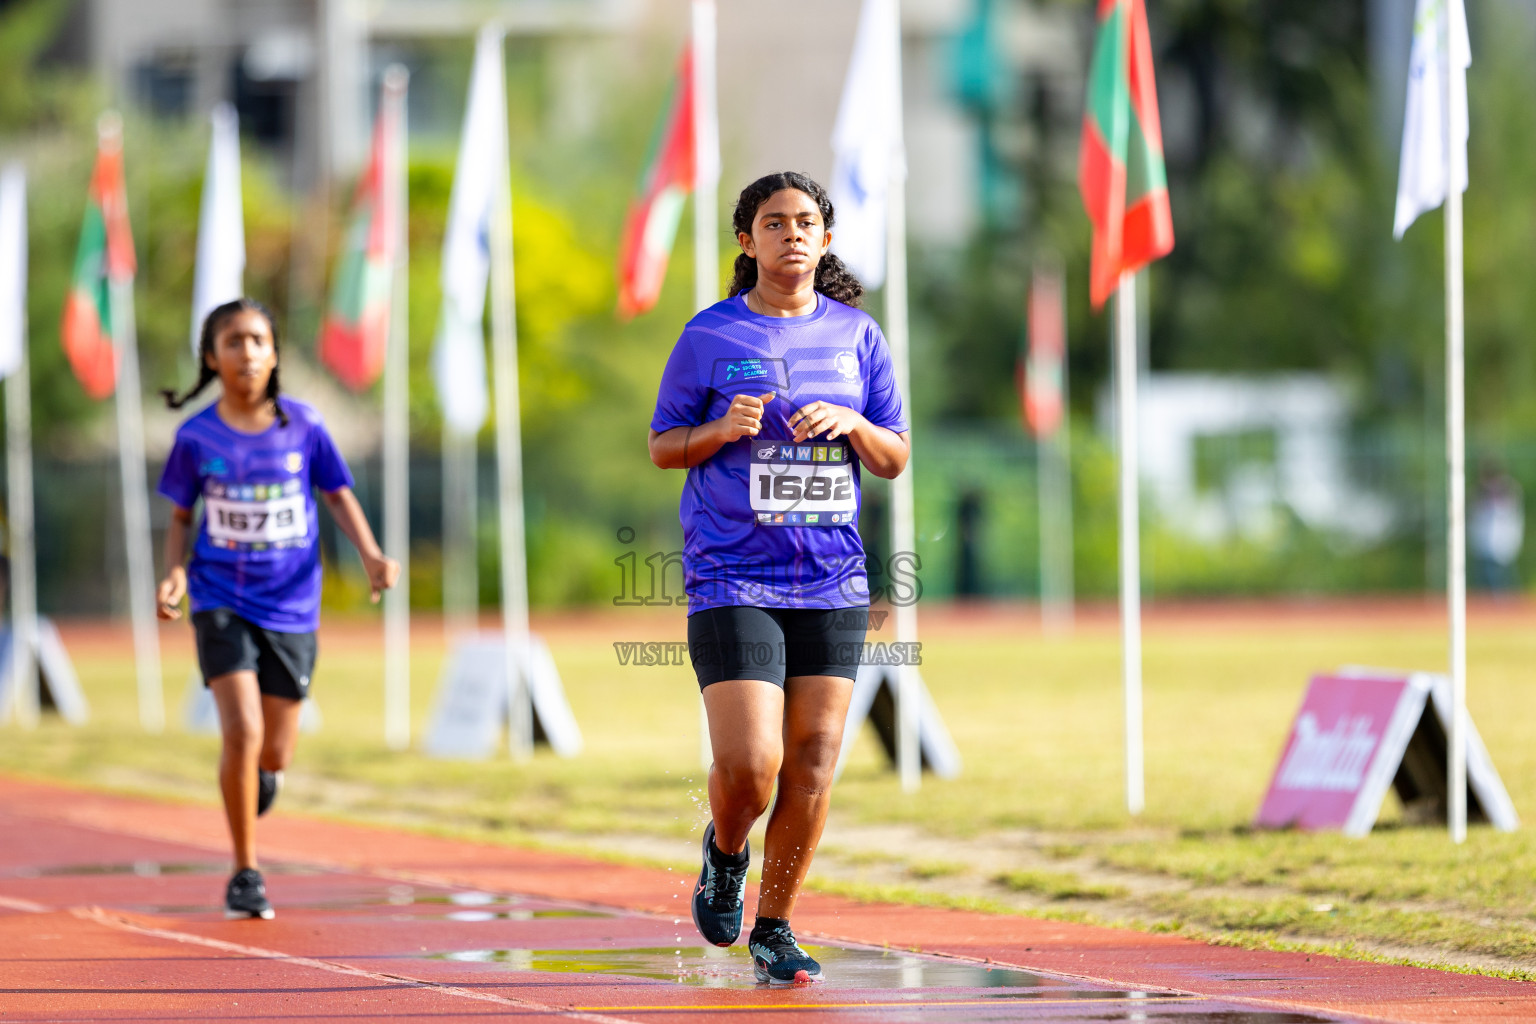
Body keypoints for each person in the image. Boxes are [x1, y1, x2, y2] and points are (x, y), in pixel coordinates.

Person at [647, 172, 910, 985]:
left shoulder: (859, 337)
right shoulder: (710, 335)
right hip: (733, 575)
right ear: (746, 240)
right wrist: (721, 428)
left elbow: (896, 457)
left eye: (805, 222)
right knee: (754, 765)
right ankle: (727, 851)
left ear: (825, 239)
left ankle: (776, 925)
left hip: (831, 579)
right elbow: (662, 444)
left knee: (816, 759)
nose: (791, 233)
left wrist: (856, 424)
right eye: (774, 222)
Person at [155, 298, 398, 920]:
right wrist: (175, 573)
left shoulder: (305, 426)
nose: (247, 352)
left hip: (292, 603)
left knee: (275, 751)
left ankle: (262, 777)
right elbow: (182, 517)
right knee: (241, 730)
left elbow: (338, 495)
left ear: (275, 352)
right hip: (219, 599)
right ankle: (245, 870)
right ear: (211, 357)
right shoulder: (196, 437)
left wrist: (371, 555)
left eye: (258, 339)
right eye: (233, 341)